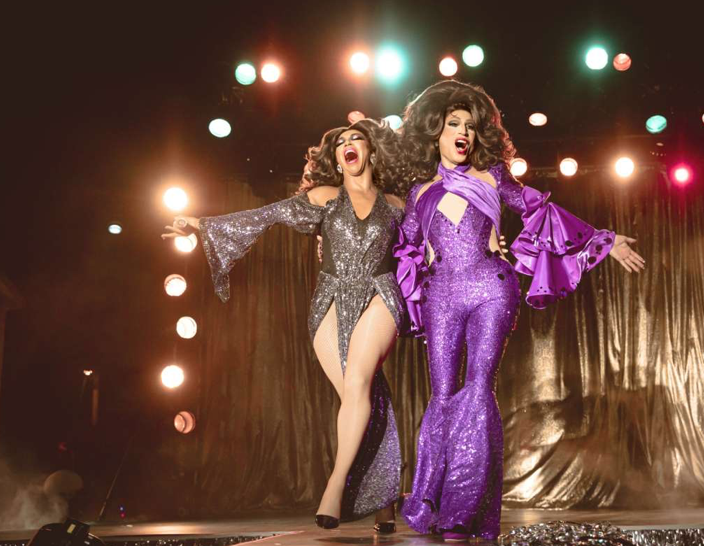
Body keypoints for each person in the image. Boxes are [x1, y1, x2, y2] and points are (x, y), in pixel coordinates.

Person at [394, 81, 645, 541]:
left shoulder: (493, 176)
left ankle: (462, 511)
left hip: (492, 287)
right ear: (434, 132)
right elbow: (403, 249)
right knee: (443, 395)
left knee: (477, 388)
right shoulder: (418, 192)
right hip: (441, 295)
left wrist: (602, 241)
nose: (463, 132)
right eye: (453, 124)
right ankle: (436, 500)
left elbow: (542, 212)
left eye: (471, 126)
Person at [162, 119, 408, 533]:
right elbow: (267, 215)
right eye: (340, 142)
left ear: (371, 151)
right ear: (336, 158)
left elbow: (430, 240)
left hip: (381, 295)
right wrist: (202, 223)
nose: (348, 144)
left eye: (356, 138)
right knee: (363, 397)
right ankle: (384, 500)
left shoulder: (397, 204)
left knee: (358, 385)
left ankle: (335, 485)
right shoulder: (324, 196)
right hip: (330, 300)